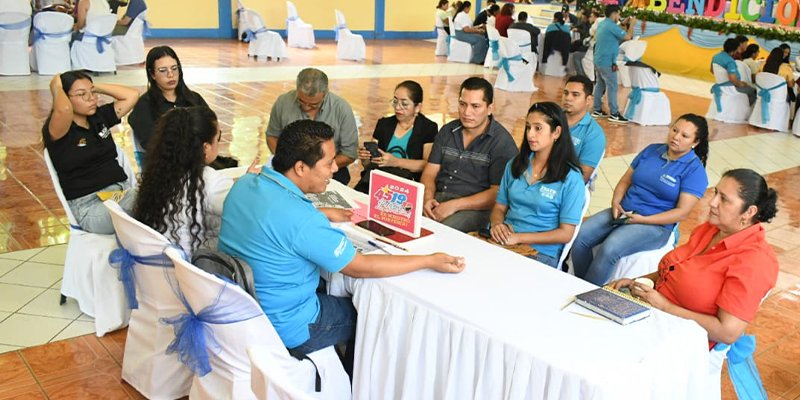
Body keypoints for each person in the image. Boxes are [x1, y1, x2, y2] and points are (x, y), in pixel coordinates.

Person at [218, 119, 465, 370]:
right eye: (329, 163)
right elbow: (361, 266)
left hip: (246, 309)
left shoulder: (245, 184)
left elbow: (275, 215)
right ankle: (351, 383)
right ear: (301, 167)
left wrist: (320, 210)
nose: (335, 168)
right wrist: (428, 259)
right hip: (290, 325)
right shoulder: (304, 221)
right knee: (372, 317)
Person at [611, 168, 778, 349]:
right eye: (715, 193)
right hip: (651, 314)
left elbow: (727, 332)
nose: (712, 202)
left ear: (749, 212)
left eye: (724, 199)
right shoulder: (711, 229)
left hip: (680, 341)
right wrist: (638, 283)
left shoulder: (755, 261)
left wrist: (666, 307)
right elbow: (676, 269)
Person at [572, 114, 710, 286]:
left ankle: (587, 292)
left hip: (655, 225)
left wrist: (644, 220)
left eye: (684, 136)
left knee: (610, 248)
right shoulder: (652, 150)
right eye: (675, 130)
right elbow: (625, 181)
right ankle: (580, 284)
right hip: (625, 212)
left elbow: (681, 213)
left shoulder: (694, 171)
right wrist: (616, 202)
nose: (676, 137)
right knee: (579, 236)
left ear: (695, 143)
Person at [489, 102, 586, 268]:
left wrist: (519, 238)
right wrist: (497, 225)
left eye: (538, 128)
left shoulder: (571, 177)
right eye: (528, 127)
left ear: (556, 132)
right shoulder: (515, 164)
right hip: (504, 241)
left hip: (540, 252)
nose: (530, 135)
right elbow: (499, 208)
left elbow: (565, 234)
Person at [42, 71, 139, 234]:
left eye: (92, 93)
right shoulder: (59, 130)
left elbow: (131, 95)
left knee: (159, 196)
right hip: (91, 207)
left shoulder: (98, 117)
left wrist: (93, 87)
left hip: (122, 193)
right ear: (65, 98)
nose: (91, 98)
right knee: (147, 204)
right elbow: (64, 110)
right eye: (81, 95)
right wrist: (56, 86)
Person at [133, 107, 236, 256]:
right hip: (192, 267)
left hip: (158, 261)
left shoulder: (157, 174)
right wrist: (248, 187)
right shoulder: (212, 182)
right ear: (205, 148)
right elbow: (244, 211)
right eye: (217, 138)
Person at [420, 77, 518, 233]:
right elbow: (430, 172)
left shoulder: (502, 143)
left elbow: (498, 193)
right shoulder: (447, 131)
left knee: (440, 232)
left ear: (490, 108)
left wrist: (454, 205)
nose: (467, 112)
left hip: (476, 209)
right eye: (462, 104)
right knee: (400, 218)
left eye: (475, 106)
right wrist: (427, 197)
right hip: (438, 198)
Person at [266, 68, 358, 184]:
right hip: (289, 170)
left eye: (313, 104)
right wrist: (284, 162)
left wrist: (317, 168)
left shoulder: (341, 109)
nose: (306, 107)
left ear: (325, 94)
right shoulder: (283, 102)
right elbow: (272, 136)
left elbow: (349, 154)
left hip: (330, 171)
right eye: (301, 101)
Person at [129, 46, 208, 169]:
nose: (171, 75)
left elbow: (212, 128)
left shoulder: (193, 99)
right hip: (165, 168)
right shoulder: (144, 106)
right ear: (152, 74)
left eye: (174, 68)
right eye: (162, 70)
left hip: (198, 162)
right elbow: (151, 144)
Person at [354, 81, 438, 193]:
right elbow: (370, 164)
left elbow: (427, 165)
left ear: (417, 107)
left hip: (406, 185)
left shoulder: (428, 128)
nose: (398, 107)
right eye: (395, 101)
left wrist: (396, 162)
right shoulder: (384, 124)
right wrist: (365, 158)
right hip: (378, 182)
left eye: (404, 104)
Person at [591, 5, 635, 124]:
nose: (619, 17)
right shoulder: (611, 26)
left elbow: (615, 31)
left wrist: (623, 24)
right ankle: (614, 113)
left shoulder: (603, 24)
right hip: (607, 62)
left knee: (600, 85)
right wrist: (632, 24)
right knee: (612, 86)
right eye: (619, 14)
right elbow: (628, 37)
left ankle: (597, 110)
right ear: (614, 14)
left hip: (599, 60)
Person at [561, 75, 606, 182]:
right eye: (566, 93)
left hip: (564, 186)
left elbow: (582, 177)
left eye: (575, 95)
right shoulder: (550, 119)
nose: (568, 98)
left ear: (588, 100)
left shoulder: (594, 134)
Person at [711, 38, 756, 106]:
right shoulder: (730, 61)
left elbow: (712, 70)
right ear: (735, 49)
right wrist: (742, 84)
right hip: (732, 88)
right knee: (753, 91)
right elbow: (733, 79)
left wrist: (723, 79)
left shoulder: (715, 57)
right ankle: (745, 111)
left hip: (720, 86)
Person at [570, 9, 592, 76]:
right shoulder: (584, 23)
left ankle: (580, 75)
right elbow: (578, 27)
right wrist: (576, 28)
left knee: (576, 55)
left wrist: (576, 41)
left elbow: (586, 37)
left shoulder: (591, 26)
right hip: (582, 43)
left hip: (587, 47)